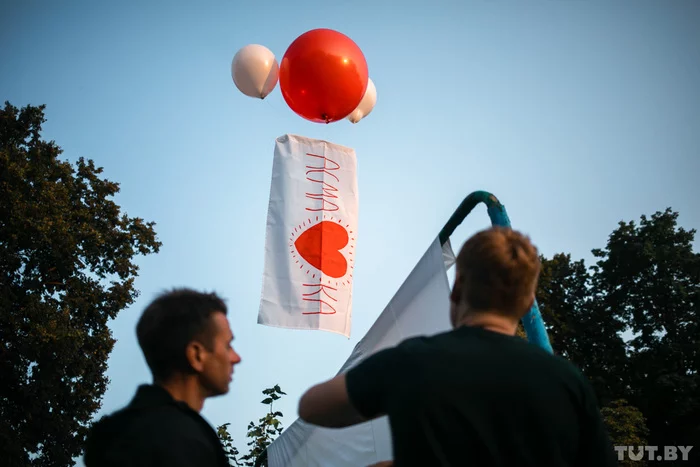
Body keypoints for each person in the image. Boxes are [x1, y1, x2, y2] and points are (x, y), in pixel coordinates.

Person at [298, 227, 618, 466]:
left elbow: (312, 406)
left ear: (458, 288)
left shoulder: (413, 361)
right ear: (527, 303)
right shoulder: (568, 382)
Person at [84, 288, 241, 467]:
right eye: (228, 346)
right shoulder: (185, 442)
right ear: (196, 355)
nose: (236, 358)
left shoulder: (110, 434)